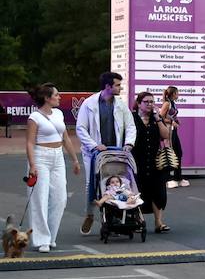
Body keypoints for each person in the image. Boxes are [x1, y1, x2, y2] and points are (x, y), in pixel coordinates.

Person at [76, 71, 137, 235]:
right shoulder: (89, 104)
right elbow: (81, 129)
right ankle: (89, 214)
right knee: (91, 184)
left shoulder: (121, 105)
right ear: (108, 86)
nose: (120, 87)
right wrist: (95, 145)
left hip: (115, 152)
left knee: (116, 184)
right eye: (117, 85)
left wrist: (129, 143)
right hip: (94, 152)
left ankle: (114, 217)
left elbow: (130, 126)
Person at [24, 84, 82, 253]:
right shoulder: (34, 117)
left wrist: (74, 160)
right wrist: (33, 165)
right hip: (40, 156)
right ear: (47, 98)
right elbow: (29, 142)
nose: (59, 97)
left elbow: (65, 138)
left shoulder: (59, 113)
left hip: (57, 156)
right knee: (40, 199)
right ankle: (42, 239)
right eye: (56, 95)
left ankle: (51, 236)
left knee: (60, 198)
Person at [131, 91, 173, 233]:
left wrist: (158, 118)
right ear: (138, 104)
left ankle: (158, 222)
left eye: (151, 102)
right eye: (146, 102)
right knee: (139, 191)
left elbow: (166, 135)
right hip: (138, 160)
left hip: (156, 160)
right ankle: (139, 221)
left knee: (159, 191)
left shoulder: (156, 119)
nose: (150, 104)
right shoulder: (132, 119)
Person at [159, 86, 189, 189]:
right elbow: (160, 117)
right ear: (173, 94)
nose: (178, 95)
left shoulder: (173, 103)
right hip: (168, 131)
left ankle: (178, 177)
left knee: (178, 152)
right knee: (170, 153)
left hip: (173, 130)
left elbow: (172, 115)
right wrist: (171, 122)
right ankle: (168, 179)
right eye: (177, 93)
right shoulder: (167, 104)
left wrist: (176, 120)